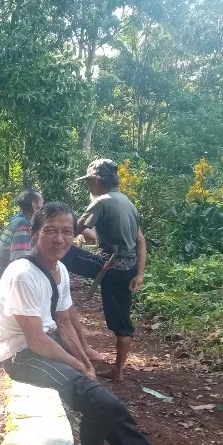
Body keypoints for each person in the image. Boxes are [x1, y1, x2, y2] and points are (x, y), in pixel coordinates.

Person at [0, 201, 220, 445]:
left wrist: (85, 360)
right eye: (50, 231)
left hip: (44, 345)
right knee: (101, 402)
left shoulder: (58, 270)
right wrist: (76, 364)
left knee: (107, 404)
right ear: (34, 233)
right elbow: (36, 339)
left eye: (67, 232)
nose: (59, 239)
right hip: (21, 355)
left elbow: (66, 322)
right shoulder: (23, 274)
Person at [62, 158, 147, 381]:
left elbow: (71, 231)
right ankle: (118, 370)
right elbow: (140, 241)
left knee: (63, 252)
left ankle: (50, 282)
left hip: (110, 266)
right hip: (127, 268)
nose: (88, 186)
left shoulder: (102, 202)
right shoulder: (127, 202)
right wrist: (139, 273)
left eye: (89, 181)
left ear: (98, 180)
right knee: (121, 318)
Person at [0, 188, 43, 284]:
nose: (43, 207)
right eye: (42, 204)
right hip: (10, 283)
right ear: (34, 205)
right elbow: (20, 264)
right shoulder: (23, 226)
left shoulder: (17, 220)